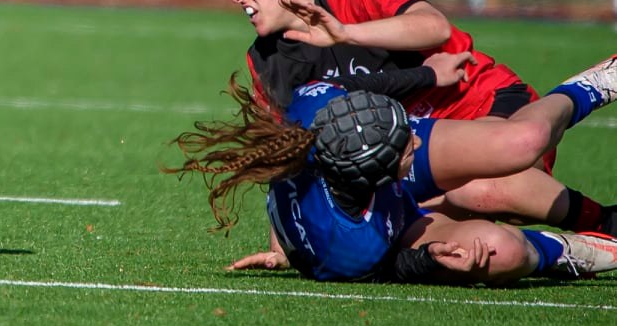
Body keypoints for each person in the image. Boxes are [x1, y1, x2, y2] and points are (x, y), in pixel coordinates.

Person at [228, 0, 617, 235]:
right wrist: (282, 244)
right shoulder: (264, 59)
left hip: (482, 104)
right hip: (411, 155)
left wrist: (345, 33)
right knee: (447, 219)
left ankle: (585, 92)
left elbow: (434, 27)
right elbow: (291, 156)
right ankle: (597, 238)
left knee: (483, 184)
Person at [168, 61, 617, 285]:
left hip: (374, 160)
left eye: (409, 132)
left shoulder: (316, 106)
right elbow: (391, 263)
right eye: (406, 146)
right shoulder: (346, 248)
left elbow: (358, 90)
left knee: (520, 144)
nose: (417, 142)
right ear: (374, 176)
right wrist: (431, 260)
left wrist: (421, 76)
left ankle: (596, 84)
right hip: (393, 217)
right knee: (499, 252)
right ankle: (581, 250)